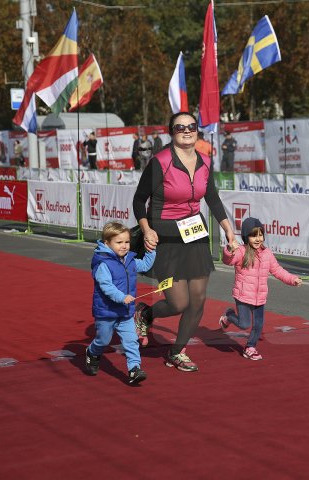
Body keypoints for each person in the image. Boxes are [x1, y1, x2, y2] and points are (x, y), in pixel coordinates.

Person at [132, 111, 237, 373]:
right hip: (166, 238)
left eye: (191, 126)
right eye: (180, 127)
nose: (187, 131)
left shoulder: (204, 161)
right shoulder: (160, 161)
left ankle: (177, 351)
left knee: (198, 300)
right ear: (171, 132)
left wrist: (228, 230)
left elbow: (211, 197)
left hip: (195, 235)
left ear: (198, 131)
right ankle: (146, 313)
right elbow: (138, 200)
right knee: (178, 303)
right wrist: (147, 230)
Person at [219, 217, 302, 360]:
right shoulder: (241, 251)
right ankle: (229, 316)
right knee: (244, 324)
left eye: (260, 235)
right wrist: (229, 250)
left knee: (258, 325)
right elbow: (228, 260)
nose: (258, 239)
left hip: (260, 297)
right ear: (246, 237)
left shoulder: (267, 254)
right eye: (253, 235)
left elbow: (277, 270)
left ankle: (250, 347)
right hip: (243, 296)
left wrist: (292, 279)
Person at [86, 221, 156, 385]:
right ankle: (92, 352)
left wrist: (151, 250)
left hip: (125, 312)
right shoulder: (103, 263)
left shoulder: (130, 260)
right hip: (106, 312)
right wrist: (121, 297)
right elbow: (106, 286)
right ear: (107, 243)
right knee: (103, 340)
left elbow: (145, 264)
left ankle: (134, 370)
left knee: (131, 340)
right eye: (119, 242)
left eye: (126, 242)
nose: (124, 246)